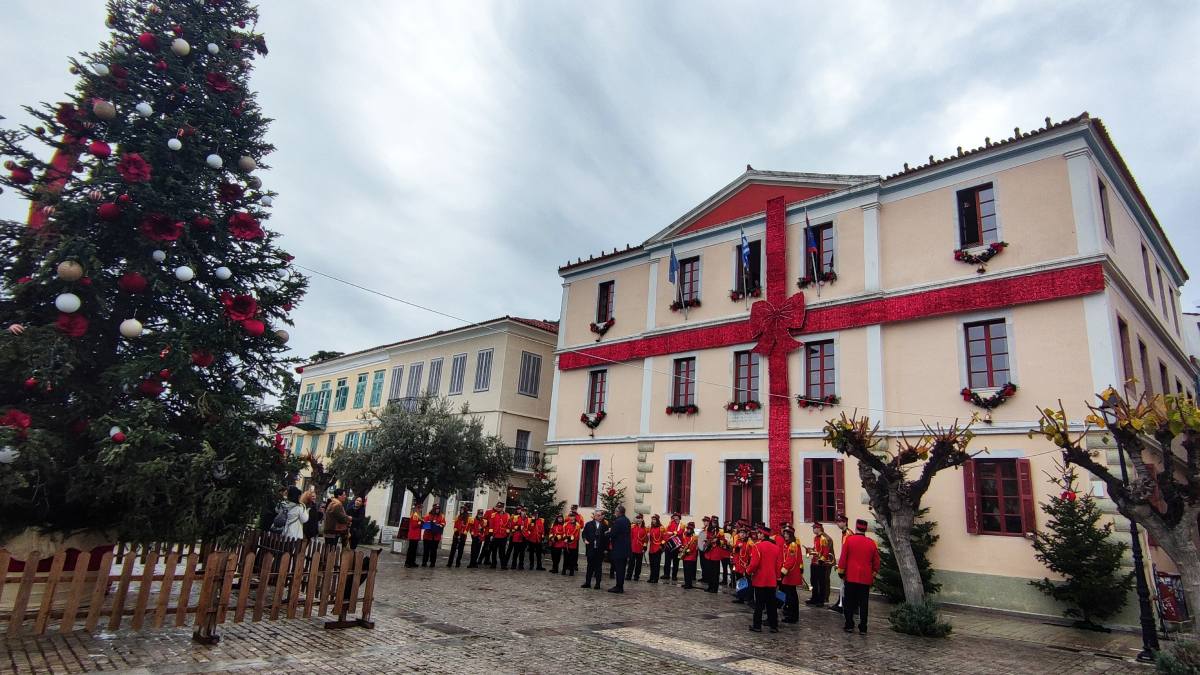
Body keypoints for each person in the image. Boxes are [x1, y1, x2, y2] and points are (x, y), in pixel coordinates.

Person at [839, 518, 881, 634]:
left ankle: (849, 625)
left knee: (849, 602)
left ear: (856, 527)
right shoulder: (872, 543)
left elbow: (843, 557)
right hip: (865, 578)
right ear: (866, 529)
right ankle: (863, 627)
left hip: (851, 576)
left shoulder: (849, 540)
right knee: (864, 604)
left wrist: (841, 572)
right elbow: (877, 562)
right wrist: (873, 574)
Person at [747, 526, 780, 633]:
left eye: (759, 533)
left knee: (759, 604)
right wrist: (778, 577)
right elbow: (778, 565)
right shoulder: (776, 547)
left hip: (760, 579)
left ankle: (757, 625)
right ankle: (773, 625)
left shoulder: (757, 546)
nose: (757, 535)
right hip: (772, 580)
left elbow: (754, 563)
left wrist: (747, 571)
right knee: (771, 604)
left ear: (762, 535)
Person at [779, 525, 805, 623]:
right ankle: (791, 614)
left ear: (791, 535)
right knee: (791, 595)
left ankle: (792, 616)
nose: (785, 535)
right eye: (784, 533)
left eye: (787, 534)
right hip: (788, 573)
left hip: (791, 574)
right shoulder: (788, 544)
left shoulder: (793, 545)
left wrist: (783, 572)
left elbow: (791, 560)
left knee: (791, 596)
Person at [806, 522, 834, 606]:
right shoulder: (815, 538)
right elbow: (816, 549)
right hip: (814, 562)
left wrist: (821, 559)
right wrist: (810, 550)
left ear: (819, 528)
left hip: (822, 563)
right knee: (813, 581)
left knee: (822, 582)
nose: (813, 529)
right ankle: (814, 597)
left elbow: (825, 551)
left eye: (814, 528)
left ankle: (822, 599)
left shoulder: (824, 538)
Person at [581, 510, 609, 590]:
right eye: (598, 515)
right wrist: (584, 539)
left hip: (600, 549)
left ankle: (597, 584)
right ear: (594, 516)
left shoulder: (604, 526)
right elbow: (584, 533)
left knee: (598, 567)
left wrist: (606, 548)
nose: (600, 517)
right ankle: (587, 583)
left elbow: (607, 538)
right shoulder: (589, 524)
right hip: (591, 548)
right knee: (590, 566)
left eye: (601, 515)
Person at [702, 519, 730, 593]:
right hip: (709, 553)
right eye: (713, 522)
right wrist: (706, 542)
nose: (714, 524)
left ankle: (715, 588)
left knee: (715, 573)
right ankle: (710, 587)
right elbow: (706, 538)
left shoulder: (720, 531)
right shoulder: (709, 530)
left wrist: (717, 541)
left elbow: (724, 541)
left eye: (715, 523)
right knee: (709, 572)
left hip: (716, 554)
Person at [830, 513, 850, 613]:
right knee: (842, 585)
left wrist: (842, 565)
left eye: (839, 522)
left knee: (844, 585)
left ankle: (843, 604)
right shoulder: (844, 533)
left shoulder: (848, 534)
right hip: (844, 561)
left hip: (847, 563)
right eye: (837, 522)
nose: (838, 524)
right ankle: (840, 602)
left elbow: (846, 551)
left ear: (845, 522)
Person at [608, 505, 631, 593]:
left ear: (619, 512)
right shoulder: (627, 520)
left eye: (616, 511)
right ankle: (619, 585)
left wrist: (606, 533)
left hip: (619, 548)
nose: (615, 513)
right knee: (621, 568)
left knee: (619, 569)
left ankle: (619, 587)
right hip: (625, 549)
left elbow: (613, 533)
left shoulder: (618, 521)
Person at [488, 502, 510, 569]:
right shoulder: (493, 515)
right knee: (494, 551)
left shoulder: (507, 515)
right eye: (497, 507)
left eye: (499, 507)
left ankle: (503, 565)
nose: (498, 508)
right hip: (495, 535)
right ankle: (493, 564)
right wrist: (491, 535)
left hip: (503, 536)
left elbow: (509, 525)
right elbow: (491, 525)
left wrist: (507, 534)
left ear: (502, 508)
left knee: (502, 552)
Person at [626, 513, 647, 582]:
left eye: (639, 518)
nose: (638, 520)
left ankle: (636, 576)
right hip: (633, 547)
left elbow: (646, 540)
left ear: (642, 519)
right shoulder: (633, 527)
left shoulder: (645, 529)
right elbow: (630, 537)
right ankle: (629, 575)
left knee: (638, 564)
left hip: (640, 548)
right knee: (631, 563)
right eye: (637, 518)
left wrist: (644, 548)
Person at [679, 522, 699, 589]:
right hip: (685, 556)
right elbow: (683, 543)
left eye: (690, 529)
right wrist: (681, 548)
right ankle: (686, 583)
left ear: (692, 530)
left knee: (689, 571)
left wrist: (688, 551)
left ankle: (689, 584)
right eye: (687, 529)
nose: (688, 530)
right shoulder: (685, 535)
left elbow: (693, 546)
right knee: (685, 570)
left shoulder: (694, 537)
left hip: (690, 556)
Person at [664, 512, 683, 582]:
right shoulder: (671, 524)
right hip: (669, 544)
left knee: (676, 562)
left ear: (679, 517)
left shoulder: (682, 525)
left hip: (677, 546)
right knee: (667, 561)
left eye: (676, 516)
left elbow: (680, 532)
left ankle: (674, 576)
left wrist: (672, 533)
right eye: (674, 516)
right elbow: (667, 531)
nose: (674, 517)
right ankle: (666, 574)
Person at [404, 502, 424, 568]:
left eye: (421, 508)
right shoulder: (415, 515)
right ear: (417, 509)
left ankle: (412, 562)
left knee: (414, 550)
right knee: (411, 550)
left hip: (416, 535)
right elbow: (414, 525)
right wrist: (420, 522)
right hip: (413, 535)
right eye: (420, 508)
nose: (421, 510)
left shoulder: (418, 515)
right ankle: (408, 562)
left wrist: (421, 523)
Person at [647, 514, 665, 583]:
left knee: (656, 565)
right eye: (652, 519)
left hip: (658, 548)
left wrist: (661, 546)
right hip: (651, 548)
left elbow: (664, 538)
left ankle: (655, 578)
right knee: (651, 564)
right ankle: (651, 577)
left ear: (657, 520)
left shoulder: (661, 528)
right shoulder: (651, 528)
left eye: (654, 519)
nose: (653, 521)